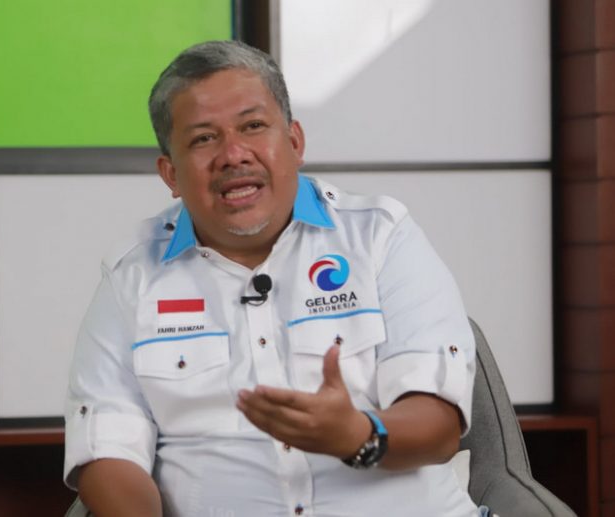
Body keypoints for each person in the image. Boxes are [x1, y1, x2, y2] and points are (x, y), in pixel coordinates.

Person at [64, 40, 480, 516]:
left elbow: (439, 427)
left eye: (253, 126)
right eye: (203, 139)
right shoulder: (132, 276)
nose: (233, 154)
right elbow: (107, 452)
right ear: (170, 174)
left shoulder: (379, 237)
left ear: (295, 142)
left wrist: (356, 435)